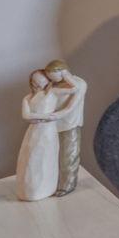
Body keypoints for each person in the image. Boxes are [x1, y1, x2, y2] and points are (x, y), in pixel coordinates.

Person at [43, 60, 86, 195]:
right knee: (52, 155)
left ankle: (67, 185)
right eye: (49, 77)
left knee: (68, 156)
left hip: (69, 124)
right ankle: (53, 183)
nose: (51, 80)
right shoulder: (53, 84)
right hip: (51, 125)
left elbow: (70, 107)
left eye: (53, 76)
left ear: (63, 72)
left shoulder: (79, 83)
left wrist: (53, 115)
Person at [16, 70, 60, 201]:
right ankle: (29, 190)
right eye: (35, 80)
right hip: (35, 131)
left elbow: (74, 90)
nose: (38, 82)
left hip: (49, 131)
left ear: (48, 79)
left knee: (48, 158)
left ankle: (47, 188)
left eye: (41, 79)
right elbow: (26, 115)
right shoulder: (27, 98)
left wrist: (40, 118)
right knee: (31, 158)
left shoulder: (53, 94)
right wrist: (46, 116)